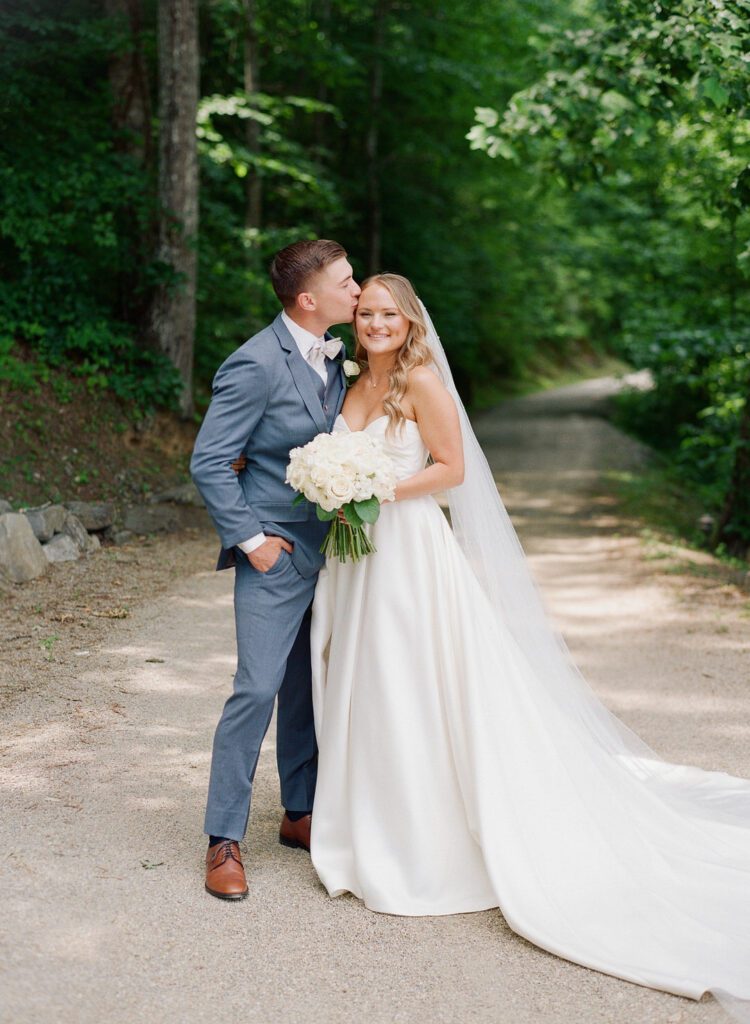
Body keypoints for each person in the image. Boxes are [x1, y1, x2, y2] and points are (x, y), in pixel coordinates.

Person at [308, 273, 750, 1019]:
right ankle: (365, 822)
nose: (378, 323)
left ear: (410, 320)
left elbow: (451, 471)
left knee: (409, 683)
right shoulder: (352, 379)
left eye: (390, 313)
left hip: (410, 555)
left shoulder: (420, 381)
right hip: (357, 561)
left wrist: (378, 490)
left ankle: (420, 840)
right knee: (367, 682)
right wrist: (335, 485)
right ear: (357, 323)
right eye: (368, 313)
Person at [190, 238, 360, 900]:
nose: (358, 289)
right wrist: (250, 539)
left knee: (309, 686)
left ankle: (299, 810)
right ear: (309, 298)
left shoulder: (336, 359)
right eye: (346, 282)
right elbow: (211, 459)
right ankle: (222, 839)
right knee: (257, 687)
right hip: (276, 550)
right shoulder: (255, 363)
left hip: (335, 551)